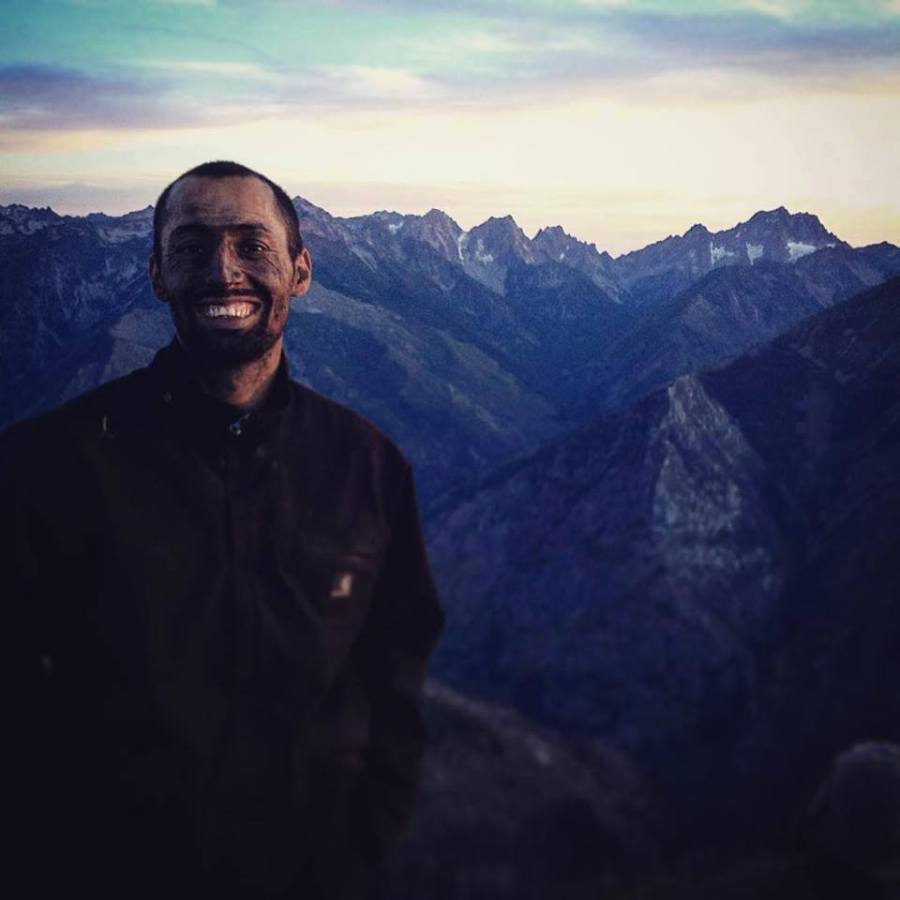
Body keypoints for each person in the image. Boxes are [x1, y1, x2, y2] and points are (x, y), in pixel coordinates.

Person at [2, 161, 445, 899]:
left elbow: (394, 671)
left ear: (299, 271)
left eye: (251, 245)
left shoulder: (366, 468)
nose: (223, 271)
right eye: (191, 247)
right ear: (155, 275)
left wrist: (366, 837)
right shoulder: (46, 467)